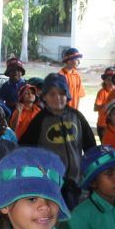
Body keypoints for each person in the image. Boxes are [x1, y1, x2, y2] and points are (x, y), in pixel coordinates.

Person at [16, 74, 96, 209]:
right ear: (44, 97)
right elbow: (24, 149)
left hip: (76, 181)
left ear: (67, 95)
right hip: (50, 183)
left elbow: (91, 146)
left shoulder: (76, 117)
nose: (57, 98)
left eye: (61, 93)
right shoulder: (40, 120)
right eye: (52, 94)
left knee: (74, 214)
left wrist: (91, 173)